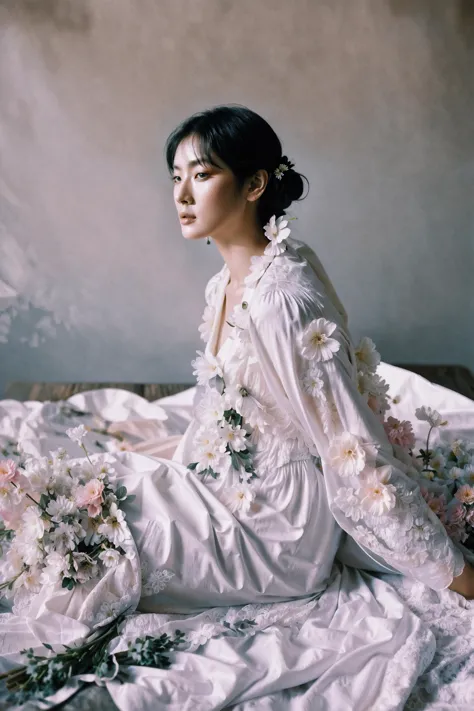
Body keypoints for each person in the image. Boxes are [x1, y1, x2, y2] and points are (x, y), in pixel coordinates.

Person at [1, 104, 474, 710]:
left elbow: (353, 452)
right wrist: (171, 467)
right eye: (176, 177)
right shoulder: (230, 282)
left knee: (95, 526)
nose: (182, 193)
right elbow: (222, 413)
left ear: (254, 184)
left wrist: (454, 574)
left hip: (279, 530)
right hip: (235, 486)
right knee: (99, 488)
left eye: (201, 174)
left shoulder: (283, 297)